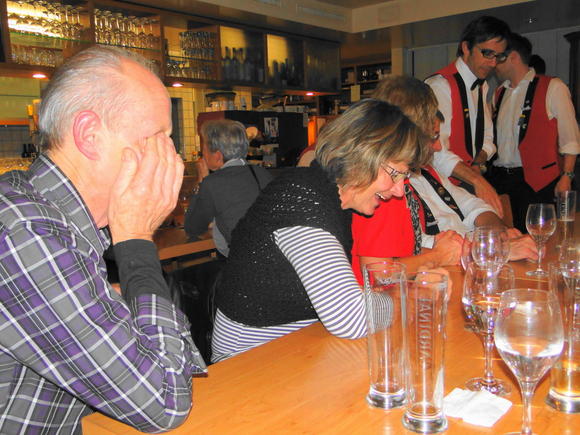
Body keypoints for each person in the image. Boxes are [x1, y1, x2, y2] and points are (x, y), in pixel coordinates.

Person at [0, 46, 206, 434]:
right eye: (157, 138)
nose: (172, 158)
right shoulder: (26, 231)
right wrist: (136, 240)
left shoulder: (58, 220)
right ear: (90, 135)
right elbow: (164, 402)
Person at [211, 98, 431, 363]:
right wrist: (411, 295)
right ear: (362, 156)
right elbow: (350, 318)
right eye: (395, 174)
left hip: (300, 347)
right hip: (247, 362)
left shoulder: (336, 200)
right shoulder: (301, 200)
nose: (399, 191)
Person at [352, 75, 537, 283]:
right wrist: (488, 250)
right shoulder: (384, 186)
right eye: (432, 136)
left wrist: (491, 244)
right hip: (388, 298)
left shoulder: (403, 178)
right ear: (410, 132)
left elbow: (410, 250)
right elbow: (377, 273)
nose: (439, 147)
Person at [489, 33, 580, 232]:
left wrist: (566, 177)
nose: (493, 63)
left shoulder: (553, 87)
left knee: (540, 238)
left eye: (498, 57)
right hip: (502, 182)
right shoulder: (499, 93)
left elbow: (570, 138)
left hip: (538, 183)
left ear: (513, 57)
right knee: (507, 238)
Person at [425, 15, 511, 214]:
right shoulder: (440, 86)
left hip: (467, 185)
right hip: (440, 191)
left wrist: (478, 162)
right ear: (466, 47)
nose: (493, 63)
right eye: (487, 53)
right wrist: (476, 180)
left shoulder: (482, 86)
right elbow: (434, 151)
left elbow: (487, 139)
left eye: (498, 56)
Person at [185, 119, 272, 257]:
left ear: (218, 156)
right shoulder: (263, 173)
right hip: (272, 255)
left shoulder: (213, 183)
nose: (203, 155)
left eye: (204, 149)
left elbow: (193, 228)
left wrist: (202, 179)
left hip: (243, 260)